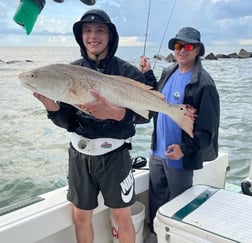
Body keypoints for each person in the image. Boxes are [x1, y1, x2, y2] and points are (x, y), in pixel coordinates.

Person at [33, 9, 156, 243]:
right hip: (79, 154)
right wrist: (52, 108)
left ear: (111, 35)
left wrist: (116, 113)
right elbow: (67, 122)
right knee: (80, 216)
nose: (93, 36)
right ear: (80, 37)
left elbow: (147, 116)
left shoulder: (127, 72)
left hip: (115, 155)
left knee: (121, 216)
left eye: (100, 30)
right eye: (87, 31)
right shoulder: (69, 72)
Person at [140, 27, 220, 242]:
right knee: (156, 201)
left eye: (188, 46)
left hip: (180, 158)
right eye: (178, 45)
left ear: (197, 50)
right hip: (157, 152)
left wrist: (183, 150)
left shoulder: (204, 84)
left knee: (179, 205)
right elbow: (155, 100)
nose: (181, 50)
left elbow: (207, 131)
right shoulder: (168, 72)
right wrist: (148, 73)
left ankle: (177, 238)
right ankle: (157, 236)